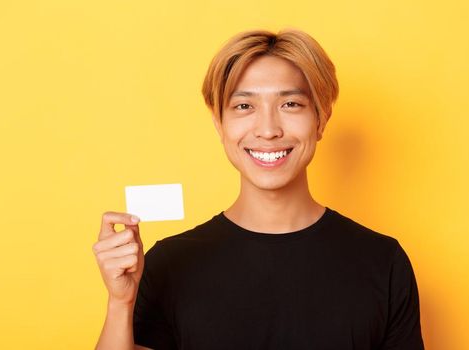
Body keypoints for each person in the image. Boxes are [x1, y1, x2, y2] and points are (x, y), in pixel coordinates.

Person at [92, 29, 424, 349]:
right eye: (244, 106)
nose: (267, 130)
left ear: (321, 119)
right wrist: (120, 302)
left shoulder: (383, 263)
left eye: (291, 104)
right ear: (219, 125)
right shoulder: (168, 264)